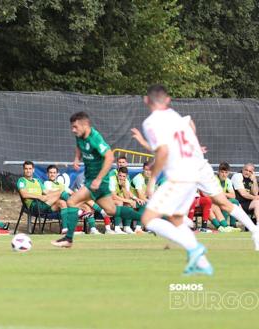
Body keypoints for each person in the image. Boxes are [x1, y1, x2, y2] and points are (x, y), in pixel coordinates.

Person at [131, 84, 259, 275]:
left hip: (183, 173)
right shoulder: (174, 116)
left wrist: (152, 180)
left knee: (149, 219)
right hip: (194, 169)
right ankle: (201, 260)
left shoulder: (152, 122)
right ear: (167, 100)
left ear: (146, 100)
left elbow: (164, 150)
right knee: (178, 217)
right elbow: (186, 126)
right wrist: (195, 145)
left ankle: (196, 247)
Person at [51, 112, 141, 248]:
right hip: (94, 181)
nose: (73, 130)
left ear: (85, 125)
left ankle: (68, 239)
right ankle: (148, 218)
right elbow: (79, 147)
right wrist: (77, 158)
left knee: (71, 201)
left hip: (97, 182)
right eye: (72, 127)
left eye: (75, 127)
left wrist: (98, 179)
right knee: (111, 210)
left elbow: (110, 157)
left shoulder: (95, 138)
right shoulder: (79, 136)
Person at [44, 164, 102, 234]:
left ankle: (93, 229)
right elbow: (51, 195)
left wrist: (79, 197)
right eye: (50, 173)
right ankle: (100, 211)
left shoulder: (60, 184)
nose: (52, 174)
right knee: (64, 199)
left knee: (86, 206)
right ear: (47, 174)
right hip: (56, 205)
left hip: (68, 203)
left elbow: (71, 192)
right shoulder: (47, 183)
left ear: (57, 174)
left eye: (54, 173)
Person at [109, 167, 144, 234]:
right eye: (120, 175)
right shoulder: (112, 179)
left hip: (115, 200)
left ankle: (127, 227)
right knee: (120, 203)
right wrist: (129, 200)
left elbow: (127, 197)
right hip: (105, 200)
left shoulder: (126, 182)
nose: (121, 178)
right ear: (117, 174)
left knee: (130, 204)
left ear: (126, 176)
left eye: (123, 176)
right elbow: (113, 196)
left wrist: (124, 187)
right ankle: (117, 228)